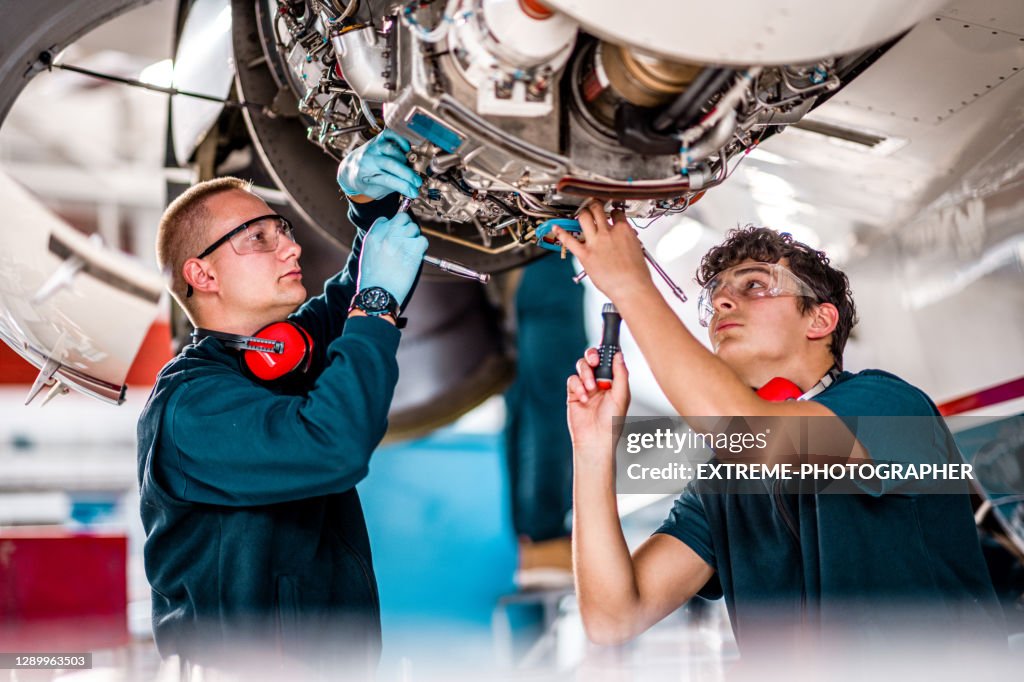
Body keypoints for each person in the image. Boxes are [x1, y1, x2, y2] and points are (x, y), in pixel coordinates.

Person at [552, 207, 1006, 657]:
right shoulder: (723, 480)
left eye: (754, 285)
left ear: (820, 321)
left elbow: (751, 433)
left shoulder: (888, 407)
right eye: (716, 298)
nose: (722, 304)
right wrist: (592, 450)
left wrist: (632, 285)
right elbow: (613, 617)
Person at [137, 129, 425, 676]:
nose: (291, 247)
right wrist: (377, 302)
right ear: (202, 274)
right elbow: (334, 446)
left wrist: (368, 206)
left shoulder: (273, 354)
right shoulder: (191, 408)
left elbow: (347, 301)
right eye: (258, 238)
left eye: (282, 230)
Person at [503, 254, 587, 589]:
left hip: (519, 273)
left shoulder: (538, 515)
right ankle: (545, 537)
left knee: (535, 406)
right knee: (549, 404)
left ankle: (541, 541)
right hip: (538, 266)